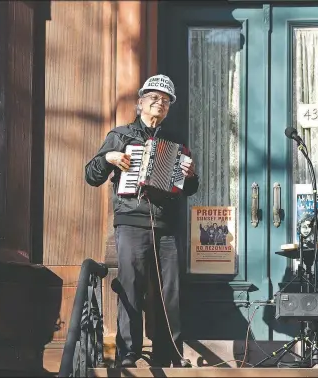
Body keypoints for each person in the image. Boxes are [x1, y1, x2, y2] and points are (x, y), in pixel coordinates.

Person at [85, 74, 198, 368]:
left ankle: (170, 352)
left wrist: (189, 177)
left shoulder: (175, 141)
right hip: (131, 220)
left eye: (165, 100)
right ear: (140, 103)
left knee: (169, 290)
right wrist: (108, 157)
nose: (159, 103)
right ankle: (129, 353)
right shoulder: (121, 136)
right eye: (154, 98)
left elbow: (189, 188)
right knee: (131, 286)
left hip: (165, 225)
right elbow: (92, 175)